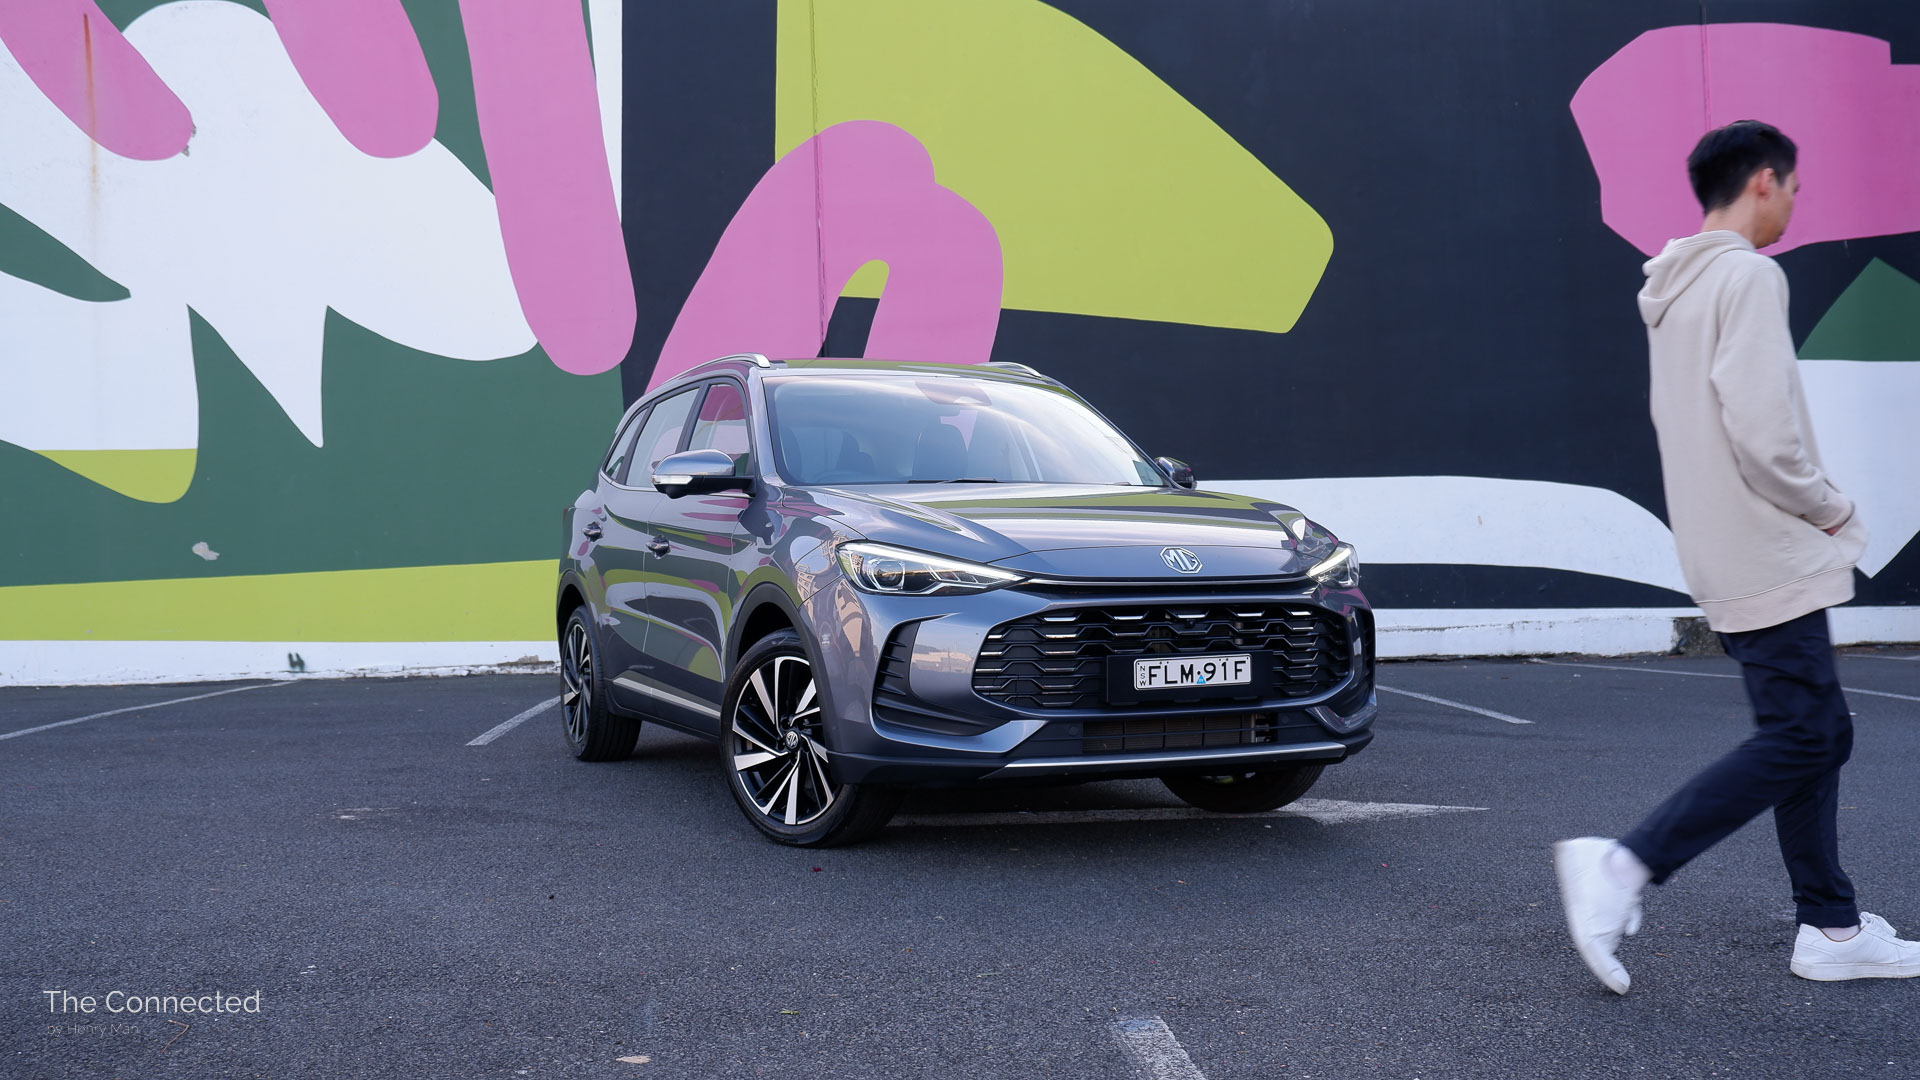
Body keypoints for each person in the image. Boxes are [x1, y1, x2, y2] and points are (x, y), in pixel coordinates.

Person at [1553, 120, 1920, 993]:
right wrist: (1832, 509)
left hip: (1722, 546)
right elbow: (1764, 433)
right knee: (1807, 734)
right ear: (1763, 180)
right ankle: (1624, 865)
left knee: (1815, 732)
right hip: (1769, 545)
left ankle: (1830, 925)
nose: (1795, 202)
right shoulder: (1748, 275)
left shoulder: (1675, 286)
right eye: (1793, 186)